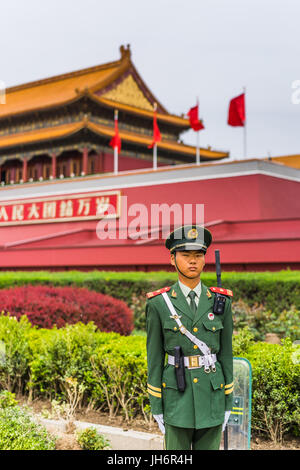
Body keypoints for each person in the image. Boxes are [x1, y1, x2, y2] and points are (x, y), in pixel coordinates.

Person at [146, 225, 233, 450]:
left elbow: (226, 354)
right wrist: (157, 405)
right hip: (177, 397)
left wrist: (227, 400)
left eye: (198, 256)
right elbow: (154, 359)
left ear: (205, 260)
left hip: (212, 395)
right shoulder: (158, 304)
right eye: (185, 256)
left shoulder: (221, 301)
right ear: (172, 259)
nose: (192, 261)